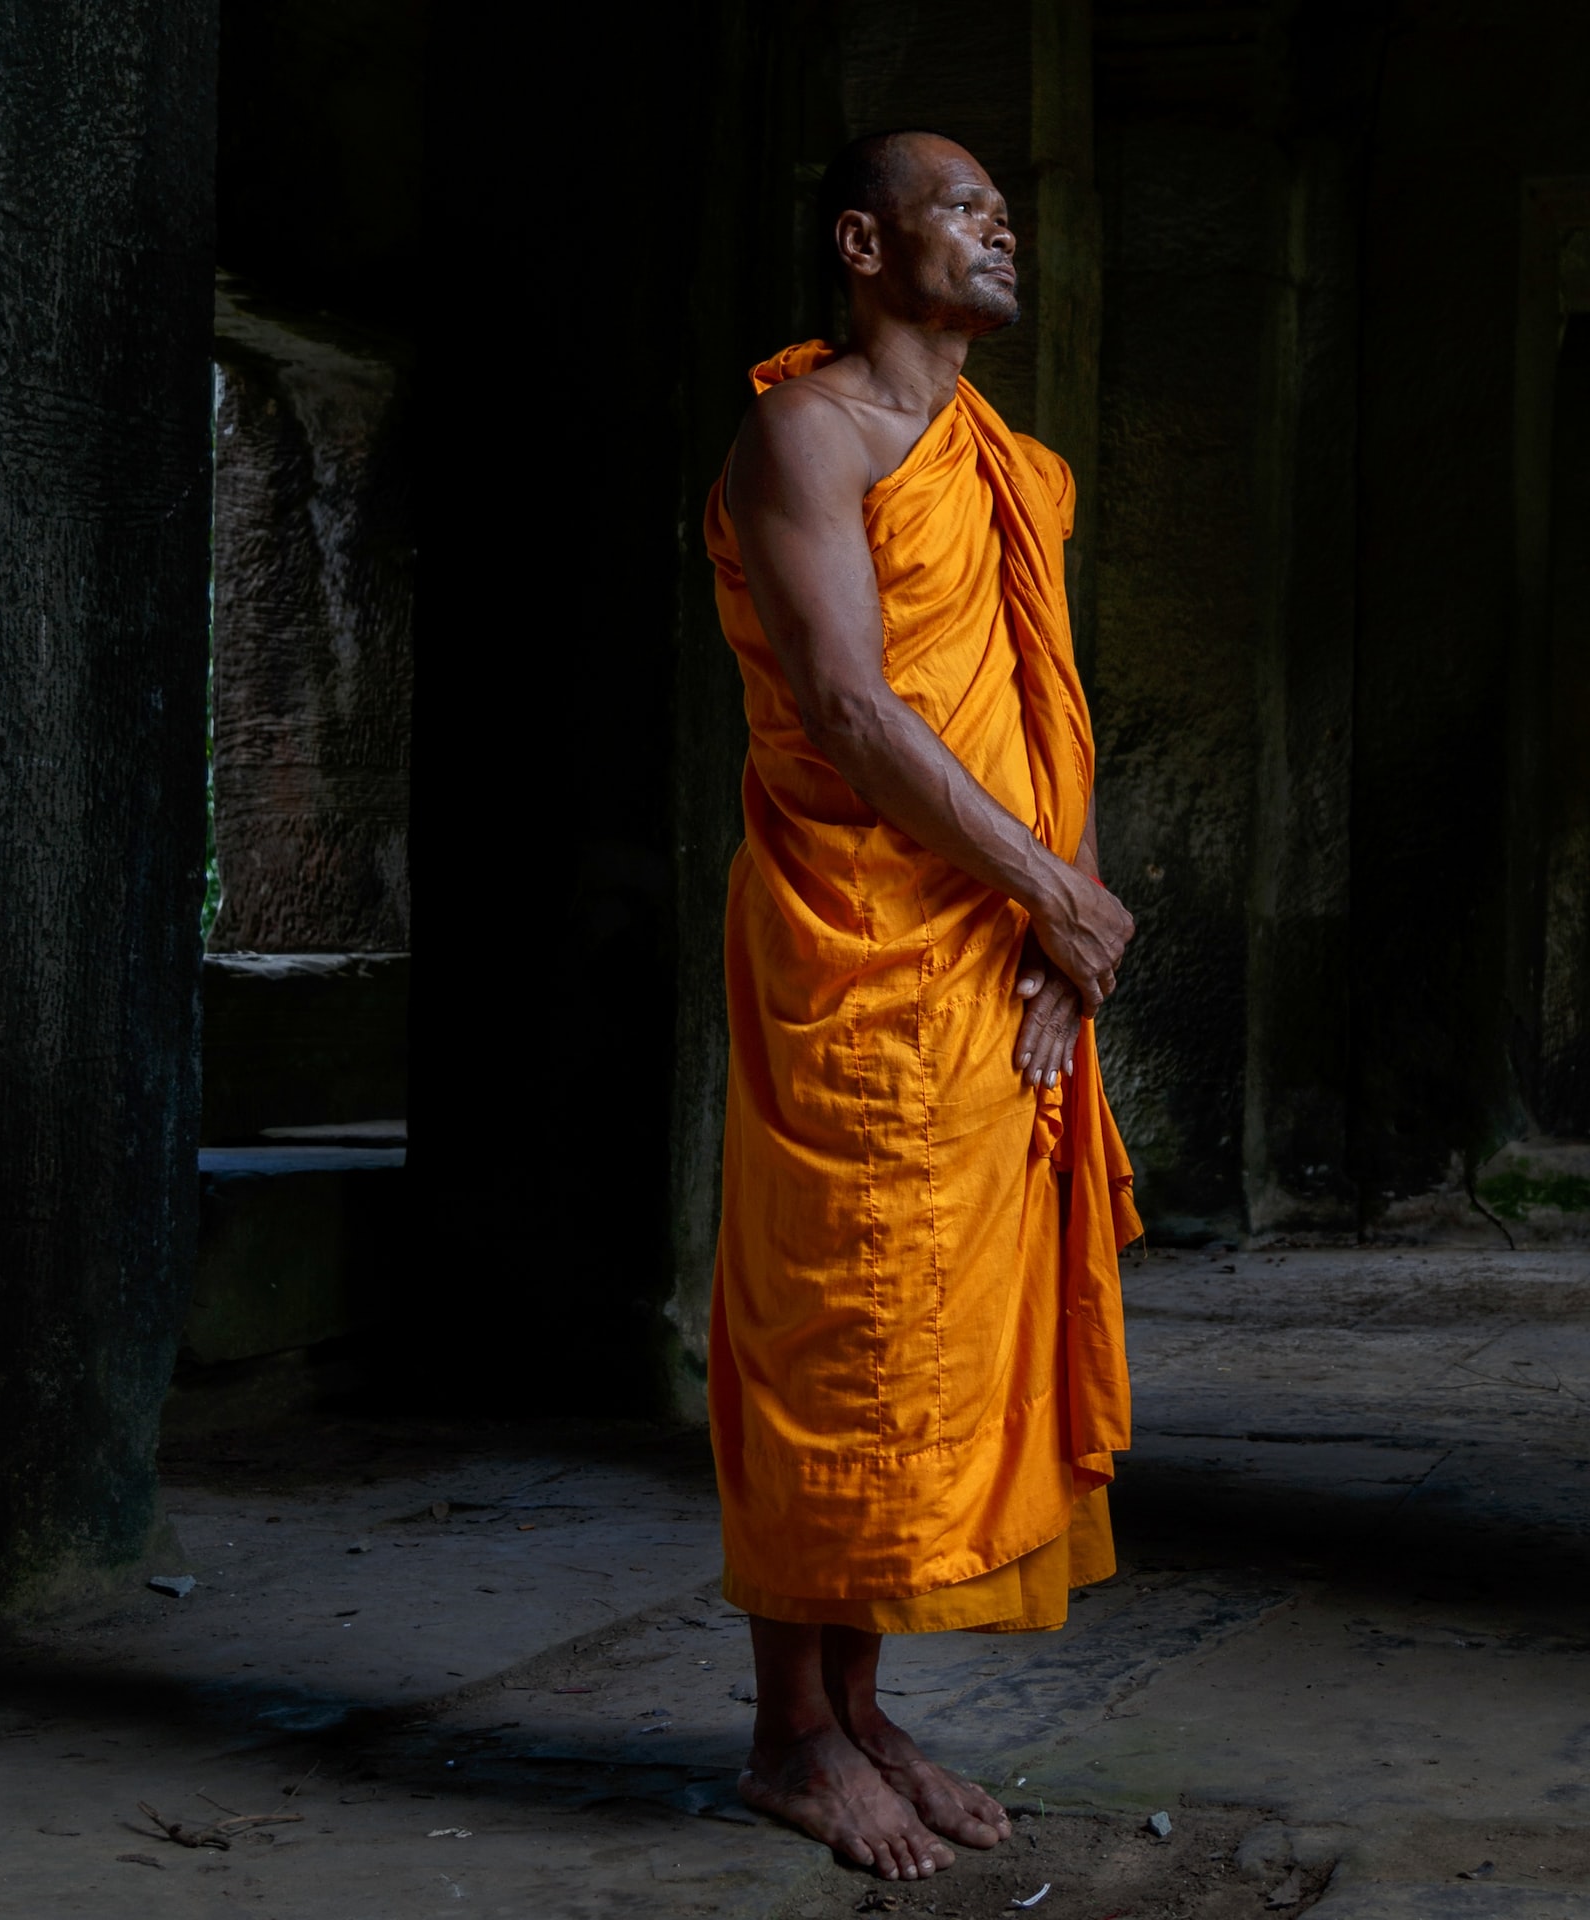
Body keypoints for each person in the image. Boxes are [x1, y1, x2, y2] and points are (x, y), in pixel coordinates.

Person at [705, 129, 1143, 1883]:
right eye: (966, 208)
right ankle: (786, 1736)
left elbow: (1054, 713)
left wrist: (1064, 942)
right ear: (865, 243)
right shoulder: (800, 435)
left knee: (930, 1331)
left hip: (997, 951)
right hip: (855, 938)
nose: (1001, 228)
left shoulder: (1015, 470)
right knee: (838, 1315)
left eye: (1004, 208)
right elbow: (853, 708)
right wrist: (1050, 890)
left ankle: (862, 1705)